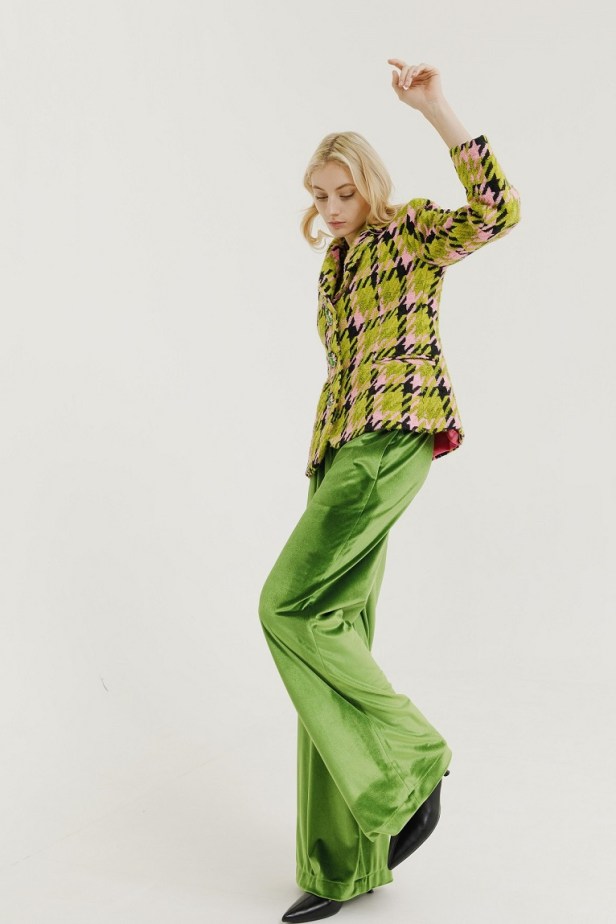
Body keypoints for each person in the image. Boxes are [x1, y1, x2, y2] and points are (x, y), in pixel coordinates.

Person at [258, 58, 521, 923]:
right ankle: (344, 863)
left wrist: (437, 107)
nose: (332, 208)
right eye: (319, 195)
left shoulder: (407, 233)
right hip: (337, 454)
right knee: (330, 636)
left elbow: (496, 212)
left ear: (368, 185)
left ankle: (413, 759)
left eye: (343, 192)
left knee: (287, 608)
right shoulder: (333, 267)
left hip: (387, 438)